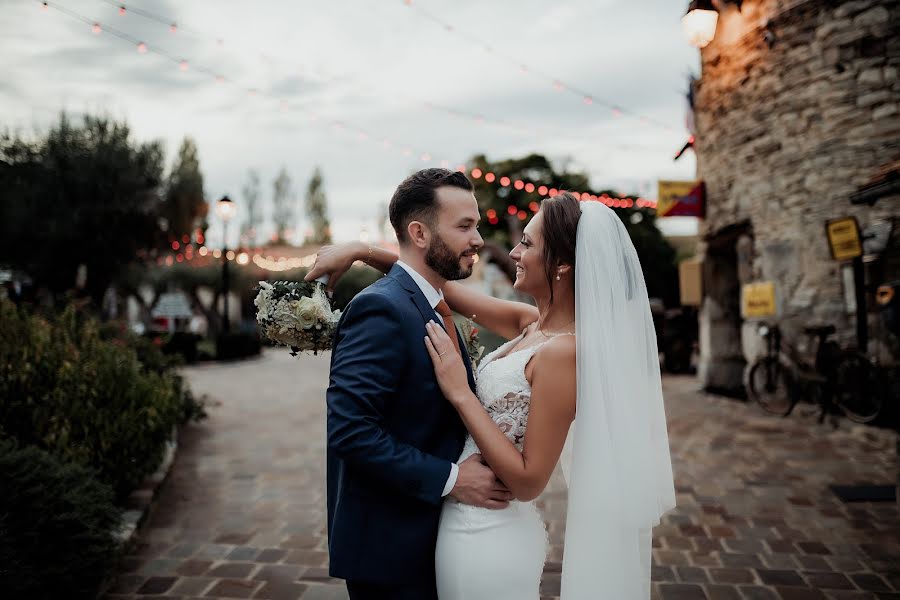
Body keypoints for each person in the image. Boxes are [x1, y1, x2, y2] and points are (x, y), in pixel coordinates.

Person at [308, 189, 676, 599]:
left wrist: (462, 393)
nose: (513, 253)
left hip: (492, 529)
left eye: (528, 243)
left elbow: (529, 480)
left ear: (564, 266)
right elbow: (431, 286)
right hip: (458, 521)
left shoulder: (565, 352)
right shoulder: (531, 323)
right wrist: (362, 251)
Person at [318, 168, 512, 600]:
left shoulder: (431, 302)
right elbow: (351, 431)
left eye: (476, 225)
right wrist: (452, 479)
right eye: (465, 226)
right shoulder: (381, 309)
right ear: (420, 233)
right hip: (392, 550)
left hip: (432, 541)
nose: (478, 239)